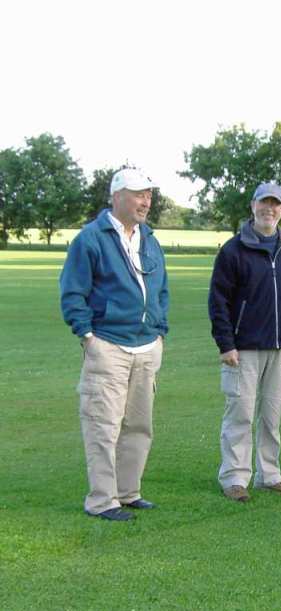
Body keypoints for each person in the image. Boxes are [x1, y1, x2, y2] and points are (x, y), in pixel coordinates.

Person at [60, 168, 169, 522]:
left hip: (146, 345)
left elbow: (161, 289)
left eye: (149, 195)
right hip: (107, 344)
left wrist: (159, 330)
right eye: (139, 194)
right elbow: (73, 292)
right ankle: (102, 500)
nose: (146, 201)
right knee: (103, 426)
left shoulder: (149, 238)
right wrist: (87, 336)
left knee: (139, 425)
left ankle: (128, 492)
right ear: (117, 196)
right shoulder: (90, 239)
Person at [209, 181, 281, 503]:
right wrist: (226, 344)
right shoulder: (233, 250)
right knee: (240, 415)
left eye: (276, 204)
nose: (269, 209)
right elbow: (219, 302)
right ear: (253, 206)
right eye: (263, 203)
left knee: (272, 418)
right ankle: (234, 478)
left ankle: (270, 475)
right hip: (243, 350)